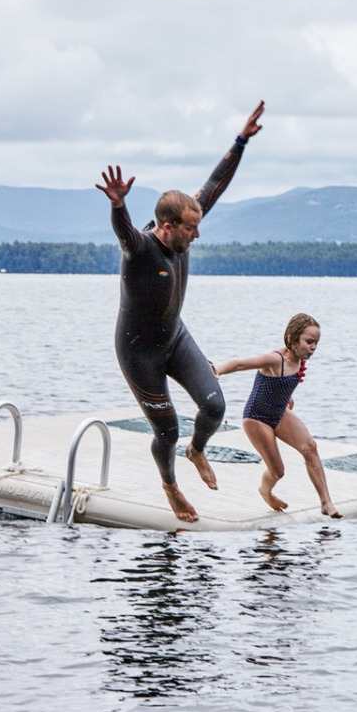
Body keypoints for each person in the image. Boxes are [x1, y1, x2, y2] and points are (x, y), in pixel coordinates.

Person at [95, 101, 265, 522]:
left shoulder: (185, 223)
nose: (198, 233)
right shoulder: (140, 249)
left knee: (214, 406)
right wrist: (118, 205)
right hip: (139, 352)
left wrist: (241, 141)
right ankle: (170, 485)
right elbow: (124, 232)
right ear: (168, 226)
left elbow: (215, 184)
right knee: (166, 429)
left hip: (174, 338)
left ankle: (198, 450)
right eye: (191, 228)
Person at [214, 313, 342, 519]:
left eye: (316, 343)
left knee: (310, 447)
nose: (313, 347)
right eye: (309, 342)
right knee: (278, 471)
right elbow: (239, 364)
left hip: (280, 412)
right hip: (257, 418)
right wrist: (215, 371)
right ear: (292, 339)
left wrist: (287, 398)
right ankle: (265, 491)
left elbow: (281, 385)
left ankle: (326, 502)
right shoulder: (276, 359)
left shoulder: (299, 360)